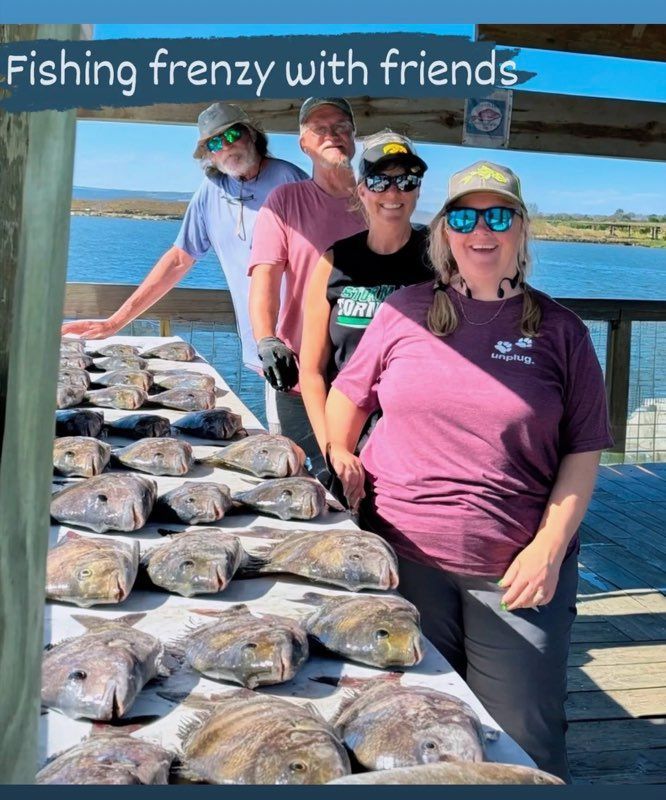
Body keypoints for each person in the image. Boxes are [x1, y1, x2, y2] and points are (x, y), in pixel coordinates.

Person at [324, 160, 613, 782]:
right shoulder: (404, 309)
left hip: (512, 573)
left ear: (521, 230)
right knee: (407, 725)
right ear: (444, 233)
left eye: (498, 215)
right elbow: (348, 391)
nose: (482, 230)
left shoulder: (563, 332)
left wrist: (548, 550)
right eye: (464, 216)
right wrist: (340, 452)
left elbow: (583, 452)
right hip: (399, 558)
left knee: (524, 740)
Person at [61, 102, 308, 422]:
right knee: (286, 441)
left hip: (306, 344)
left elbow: (323, 257)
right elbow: (179, 259)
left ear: (252, 135)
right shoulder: (211, 193)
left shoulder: (290, 180)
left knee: (317, 447)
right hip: (264, 350)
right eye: (215, 143)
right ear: (208, 154)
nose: (227, 145)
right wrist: (114, 323)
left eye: (233, 134)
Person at [248, 97, 366, 477]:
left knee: (359, 485)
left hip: (364, 382)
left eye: (341, 127)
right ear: (303, 144)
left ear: (354, 137)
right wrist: (267, 340)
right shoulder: (284, 201)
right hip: (297, 377)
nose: (332, 134)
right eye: (320, 128)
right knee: (297, 480)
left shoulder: (379, 199)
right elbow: (265, 278)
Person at [299, 130, 432, 463]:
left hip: (414, 442)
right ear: (361, 190)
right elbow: (313, 370)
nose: (392, 192)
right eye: (379, 182)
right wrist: (332, 447)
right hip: (346, 436)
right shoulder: (334, 261)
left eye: (406, 181)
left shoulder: (441, 262)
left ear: (417, 192)